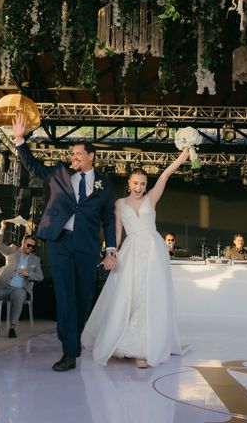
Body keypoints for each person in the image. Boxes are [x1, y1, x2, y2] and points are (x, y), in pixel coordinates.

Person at [12, 114, 117, 372]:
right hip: (59, 242)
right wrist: (19, 140)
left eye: (79, 153)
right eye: (73, 154)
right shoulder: (59, 173)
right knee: (65, 295)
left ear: (92, 155)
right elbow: (34, 166)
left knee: (84, 297)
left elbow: (109, 218)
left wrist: (111, 248)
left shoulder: (104, 185)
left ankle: (77, 338)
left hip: (87, 246)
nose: (74, 157)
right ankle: (68, 351)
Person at [82, 147, 190, 368]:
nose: (139, 187)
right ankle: (121, 340)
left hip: (153, 250)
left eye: (143, 183)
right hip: (131, 250)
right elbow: (118, 233)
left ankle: (143, 350)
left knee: (149, 296)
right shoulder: (120, 204)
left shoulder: (151, 198)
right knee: (129, 295)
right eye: (136, 183)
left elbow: (165, 174)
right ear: (129, 183)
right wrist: (112, 253)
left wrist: (184, 155)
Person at [0, 233, 43, 338]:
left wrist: (28, 273)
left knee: (19, 295)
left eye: (32, 247)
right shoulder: (12, 251)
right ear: (23, 243)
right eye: (28, 245)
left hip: (20, 289)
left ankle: (12, 327)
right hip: (4, 286)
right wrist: (2, 229)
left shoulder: (35, 260)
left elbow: (40, 276)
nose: (30, 248)